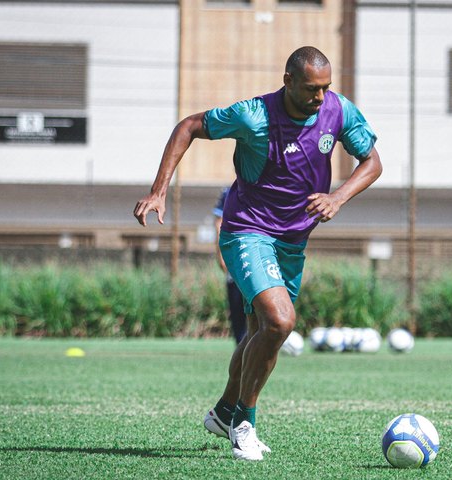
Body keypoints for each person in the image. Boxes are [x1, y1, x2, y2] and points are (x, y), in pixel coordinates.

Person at [133, 46, 382, 460]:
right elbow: (189, 126)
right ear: (287, 81)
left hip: (293, 241)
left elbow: (372, 162)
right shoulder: (254, 115)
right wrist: (159, 190)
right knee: (280, 321)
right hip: (247, 231)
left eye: (325, 88)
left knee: (260, 334)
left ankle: (224, 410)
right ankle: (243, 423)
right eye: (310, 89)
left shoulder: (338, 111)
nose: (320, 98)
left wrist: (338, 197)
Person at [213, 186, 247, 345]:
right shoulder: (231, 191)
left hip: (261, 253)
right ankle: (241, 347)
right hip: (235, 254)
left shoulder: (268, 184)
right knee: (237, 308)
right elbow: (219, 222)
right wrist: (221, 253)